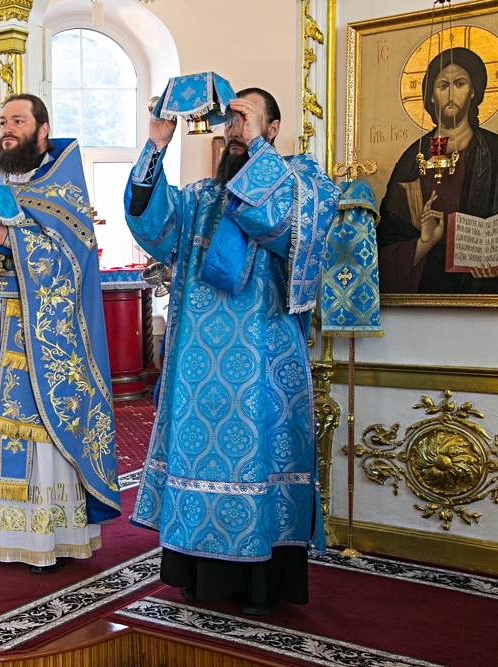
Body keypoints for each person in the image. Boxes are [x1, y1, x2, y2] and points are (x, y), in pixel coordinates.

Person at [125, 89, 340, 614]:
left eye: (245, 117)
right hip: (198, 368)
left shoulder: (302, 185)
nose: (232, 127)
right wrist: (157, 144)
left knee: (260, 459)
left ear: (273, 129)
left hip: (265, 363)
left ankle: (264, 583)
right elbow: (151, 225)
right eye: (229, 118)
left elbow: (274, 222)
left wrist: (255, 151)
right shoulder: (202, 197)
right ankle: (200, 576)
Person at [0, 94, 120, 573]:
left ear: (42, 130)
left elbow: (73, 261)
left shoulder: (63, 189)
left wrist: (9, 238)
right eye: (3, 121)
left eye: (18, 120)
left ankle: (49, 538)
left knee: (41, 430)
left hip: (45, 339)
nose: (7, 128)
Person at [378, 47, 498, 294]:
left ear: (473, 91)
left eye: (460, 84)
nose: (451, 94)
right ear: (431, 96)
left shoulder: (495, 150)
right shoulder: (412, 160)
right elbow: (386, 243)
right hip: (426, 292)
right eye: (443, 86)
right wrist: (424, 243)